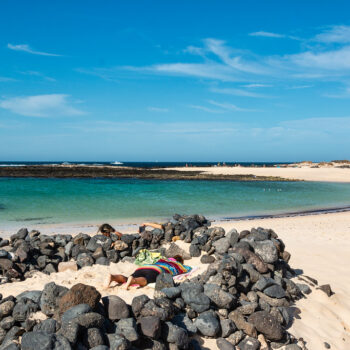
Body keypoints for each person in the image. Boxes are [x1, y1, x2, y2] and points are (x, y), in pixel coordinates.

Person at [104, 255, 191, 290]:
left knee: (126, 279)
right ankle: (134, 280)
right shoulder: (177, 264)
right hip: (156, 270)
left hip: (143, 267)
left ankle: (113, 277)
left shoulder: (161, 259)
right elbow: (188, 268)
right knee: (146, 280)